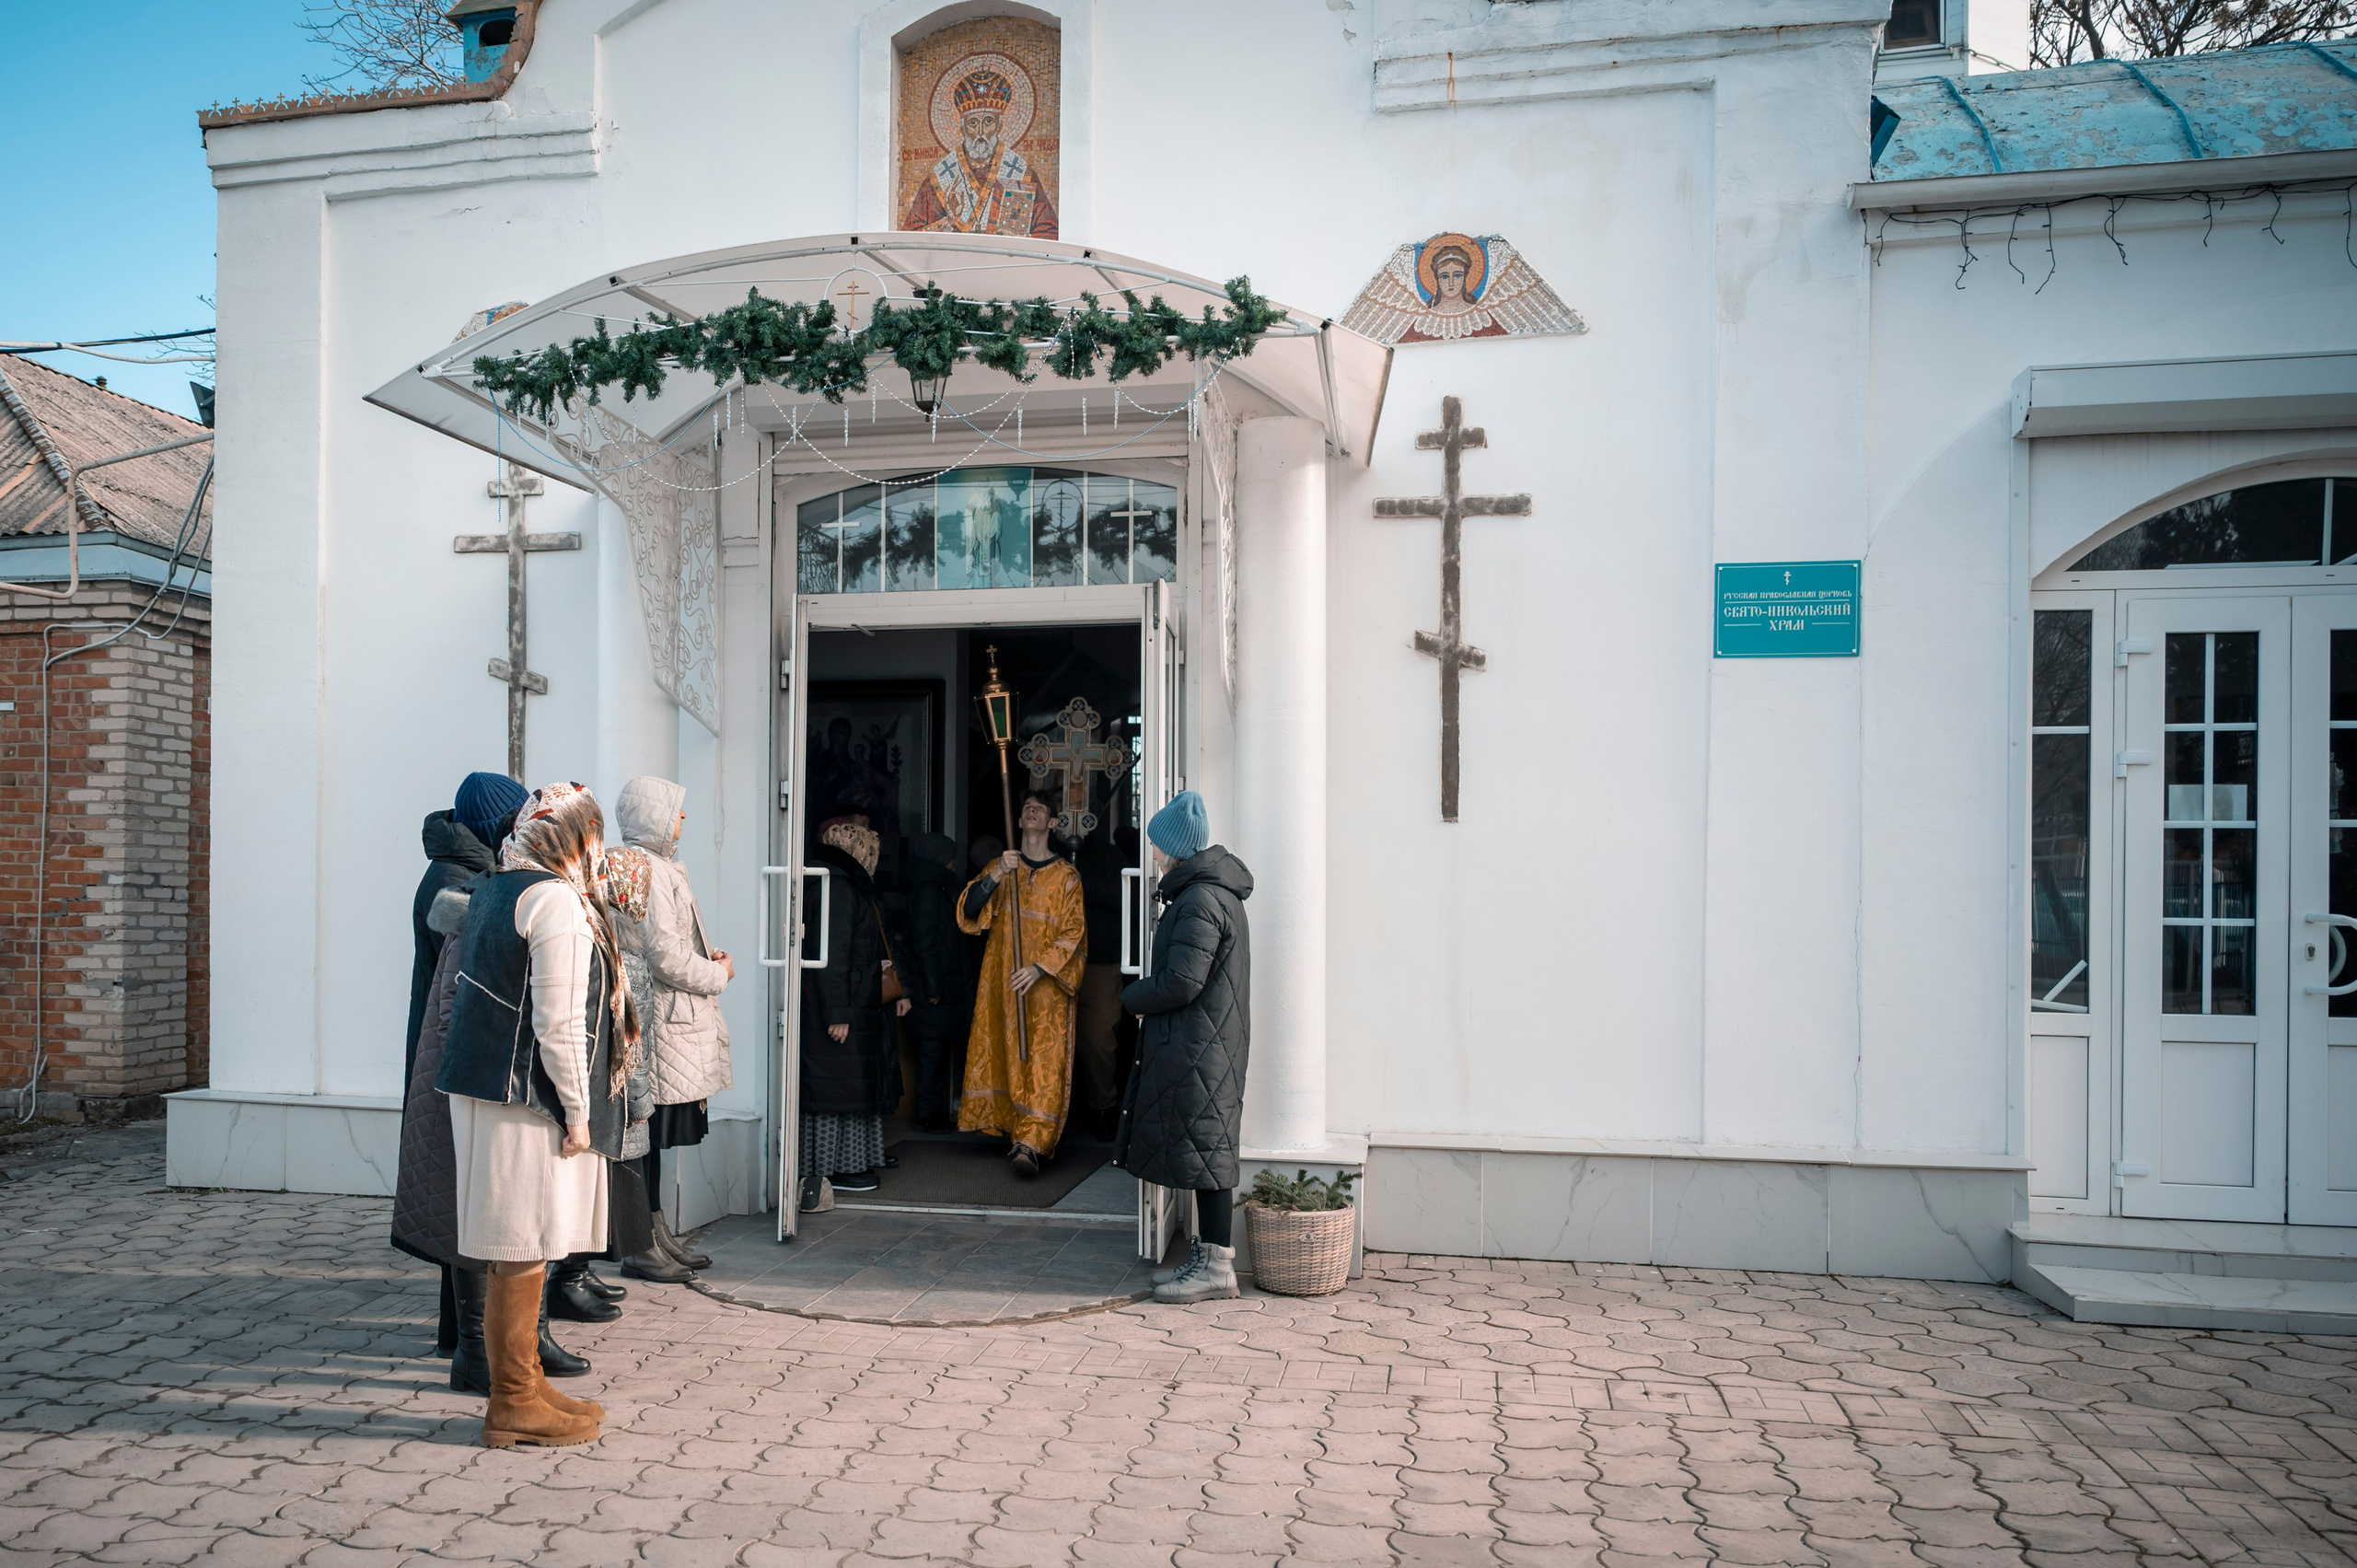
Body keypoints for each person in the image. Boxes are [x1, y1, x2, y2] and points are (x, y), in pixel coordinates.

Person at [438, 782, 635, 1448]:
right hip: (528, 1098)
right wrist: (579, 1114)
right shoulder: (555, 899)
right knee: (524, 1241)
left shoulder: (500, 883)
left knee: (512, 1246)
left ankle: (519, 1385)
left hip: (485, 1088)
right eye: (590, 835)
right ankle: (514, 1398)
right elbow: (560, 1023)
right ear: (572, 838)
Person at [398, 772, 528, 1356]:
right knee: (460, 1196)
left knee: (461, 1194)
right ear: (497, 824)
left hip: (443, 1043)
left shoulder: (465, 868)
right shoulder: (455, 879)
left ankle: (463, 1336)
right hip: (445, 1047)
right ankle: (469, 1340)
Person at [1113, 791, 1254, 1305]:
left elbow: (1181, 983)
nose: (1151, 852)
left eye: (1156, 843)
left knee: (1208, 1154)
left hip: (1201, 1045)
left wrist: (1131, 997)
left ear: (1174, 847)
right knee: (1203, 1151)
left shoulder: (1199, 899)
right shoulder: (1210, 892)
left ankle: (1217, 1267)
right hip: (1205, 1042)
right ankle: (1208, 1256)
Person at [610, 777, 735, 1280]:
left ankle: (656, 1235)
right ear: (656, 815)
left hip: (666, 1017)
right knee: (648, 1133)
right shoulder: (649, 869)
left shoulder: (656, 866)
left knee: (654, 1138)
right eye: (677, 811)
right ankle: (645, 1244)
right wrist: (717, 974)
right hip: (661, 1020)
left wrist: (708, 956)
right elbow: (661, 954)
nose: (683, 820)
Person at [958, 789, 1088, 1176]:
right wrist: (997, 871)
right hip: (1002, 979)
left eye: (1040, 810)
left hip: (1045, 988)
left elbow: (1074, 933)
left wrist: (1038, 968)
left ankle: (1031, 1142)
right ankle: (1011, 1130)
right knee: (1004, 1051)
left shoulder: (1067, 877)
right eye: (1026, 808)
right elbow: (968, 910)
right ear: (1018, 822)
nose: (1031, 812)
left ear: (1051, 823)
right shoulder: (1003, 869)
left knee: (1043, 1061)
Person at [799, 818, 910, 1208]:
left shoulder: (835, 884)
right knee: (837, 1090)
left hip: (849, 1006)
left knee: (846, 1086)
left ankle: (849, 1162)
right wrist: (839, 1012)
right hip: (840, 1011)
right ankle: (833, 1168)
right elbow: (834, 957)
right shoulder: (840, 890)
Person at [899, 832, 971, 1132]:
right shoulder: (930, 891)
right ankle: (927, 1114)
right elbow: (924, 943)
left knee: (935, 1051)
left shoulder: (929, 887)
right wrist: (933, 989)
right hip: (933, 988)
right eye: (950, 855)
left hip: (934, 985)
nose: (955, 861)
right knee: (932, 1053)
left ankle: (930, 1112)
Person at [1074, 821, 1138, 1143]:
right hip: (1049, 963)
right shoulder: (1043, 852)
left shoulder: (1107, 856)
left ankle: (1103, 1107)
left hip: (1099, 960)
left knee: (1098, 1039)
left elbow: (1124, 896)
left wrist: (1076, 882)